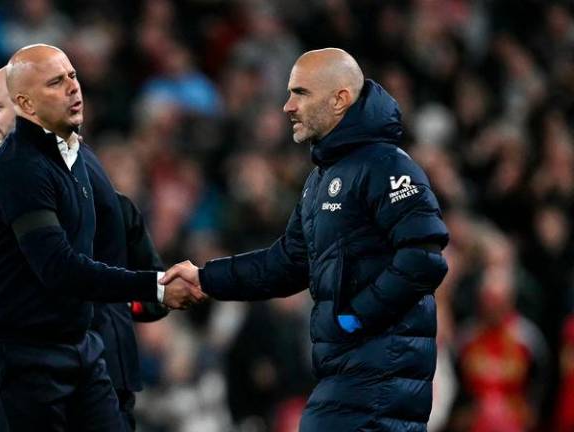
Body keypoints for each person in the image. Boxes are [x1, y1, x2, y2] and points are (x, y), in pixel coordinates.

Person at [161, 48, 450, 431]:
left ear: (339, 99)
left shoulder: (387, 166)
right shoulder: (321, 180)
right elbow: (286, 264)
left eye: (300, 93)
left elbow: (424, 257)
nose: (287, 106)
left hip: (380, 376)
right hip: (348, 373)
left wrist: (354, 318)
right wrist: (207, 278)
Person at [0, 44, 205, 432]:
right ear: (24, 102)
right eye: (56, 83)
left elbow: (116, 235)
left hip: (77, 343)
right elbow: (59, 268)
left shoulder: (78, 156)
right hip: (17, 353)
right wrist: (154, 288)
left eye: (73, 76)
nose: (74, 88)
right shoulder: (19, 168)